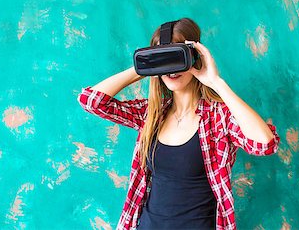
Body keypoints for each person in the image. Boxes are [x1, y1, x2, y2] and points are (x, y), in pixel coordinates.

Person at [77, 18, 280, 230]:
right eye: (163, 60)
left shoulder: (218, 117)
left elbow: (265, 144)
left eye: (177, 57)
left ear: (195, 57)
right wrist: (145, 66)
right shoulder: (152, 114)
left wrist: (216, 82)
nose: (171, 69)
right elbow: (91, 101)